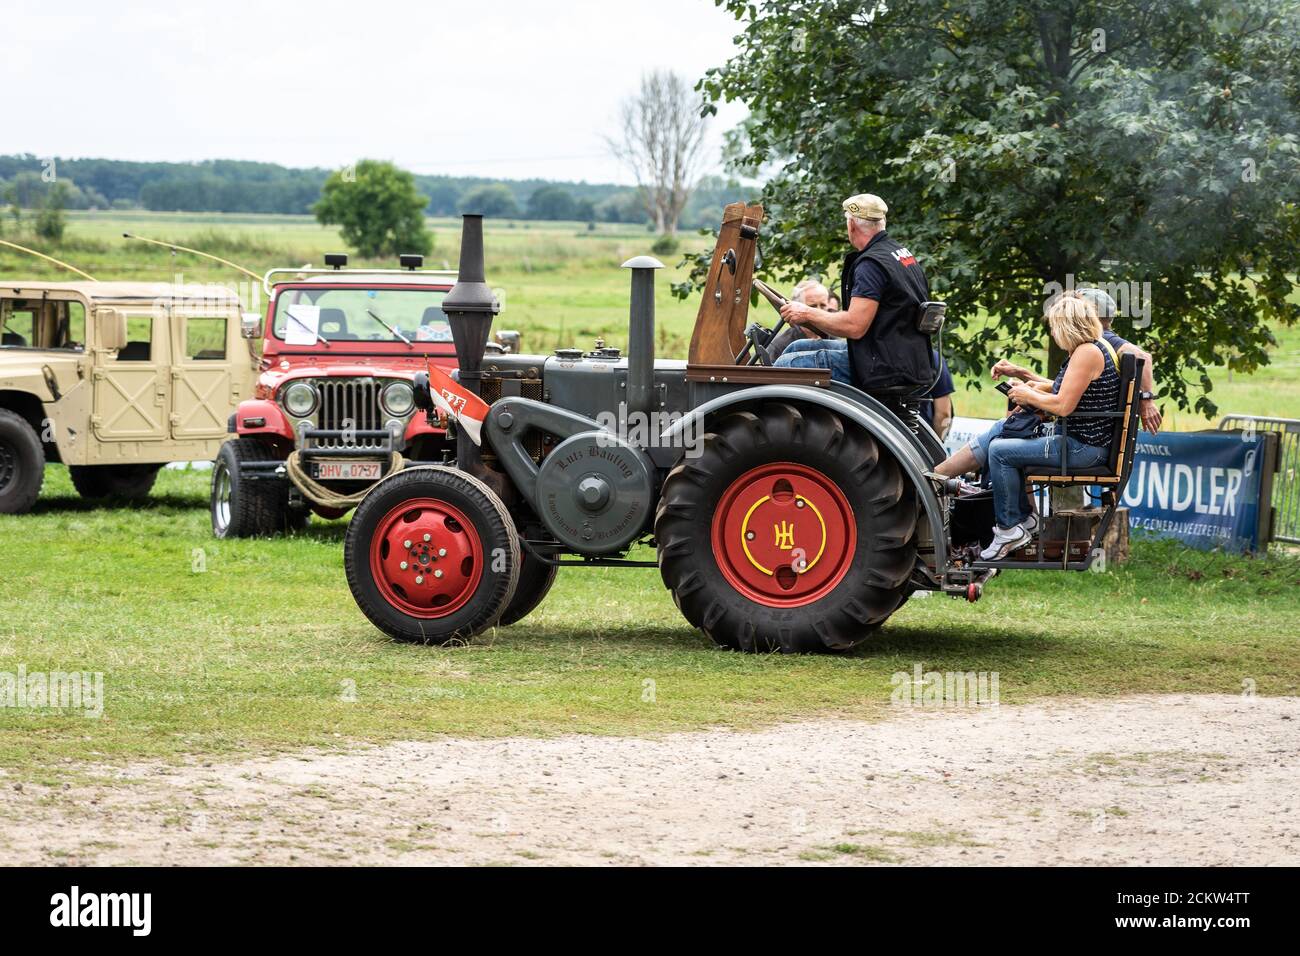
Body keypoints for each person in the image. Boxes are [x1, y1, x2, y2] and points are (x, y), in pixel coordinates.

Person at [978, 292, 1121, 560]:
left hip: (1083, 448)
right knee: (1002, 437)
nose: (1054, 334)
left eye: (1055, 327)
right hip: (1081, 442)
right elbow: (1062, 389)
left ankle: (1009, 528)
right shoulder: (1088, 349)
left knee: (999, 451)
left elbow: (1063, 406)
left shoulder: (1086, 353)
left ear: (1067, 326)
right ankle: (1024, 520)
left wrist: (1028, 396)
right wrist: (1029, 384)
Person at [774, 193, 934, 427]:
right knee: (797, 347)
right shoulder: (900, 254)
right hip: (902, 359)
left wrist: (806, 313)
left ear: (851, 224)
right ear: (882, 223)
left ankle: (784, 436)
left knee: (786, 367)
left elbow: (855, 327)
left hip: (883, 367)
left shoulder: (871, 264)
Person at [989, 287, 1161, 434]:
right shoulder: (1089, 341)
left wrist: (1146, 401)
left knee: (1001, 435)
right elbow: (1065, 387)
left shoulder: (1101, 340)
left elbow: (1143, 356)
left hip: (1082, 434)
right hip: (1086, 430)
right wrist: (1022, 373)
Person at [919, 350, 955, 437]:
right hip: (918, 436)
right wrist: (937, 443)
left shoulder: (881, 353)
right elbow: (943, 413)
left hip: (882, 433)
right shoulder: (933, 357)